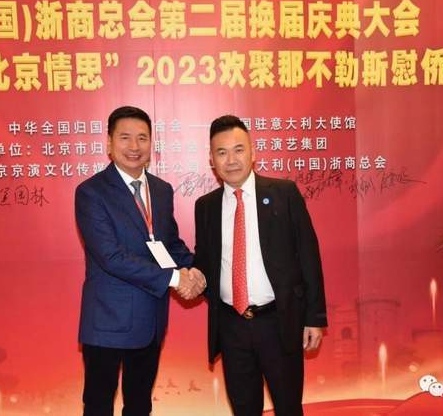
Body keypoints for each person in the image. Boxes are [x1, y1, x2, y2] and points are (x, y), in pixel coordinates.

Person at [192, 115, 327, 416]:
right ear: (211, 160)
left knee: (288, 407)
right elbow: (204, 261)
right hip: (232, 325)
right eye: (222, 152)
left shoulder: (284, 193)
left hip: (278, 321)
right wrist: (190, 277)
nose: (231, 160)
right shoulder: (206, 207)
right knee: (243, 409)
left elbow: (308, 255)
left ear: (253, 153)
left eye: (238, 150)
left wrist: (314, 317)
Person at [75, 106, 205, 416]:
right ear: (109, 143)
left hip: (150, 318)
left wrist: (201, 271)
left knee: (139, 405)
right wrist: (176, 279)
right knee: (98, 405)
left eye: (142, 138)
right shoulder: (91, 192)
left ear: (151, 144)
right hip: (108, 321)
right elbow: (111, 256)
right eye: (125, 137)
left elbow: (169, 244)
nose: (134, 146)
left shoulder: (161, 190)